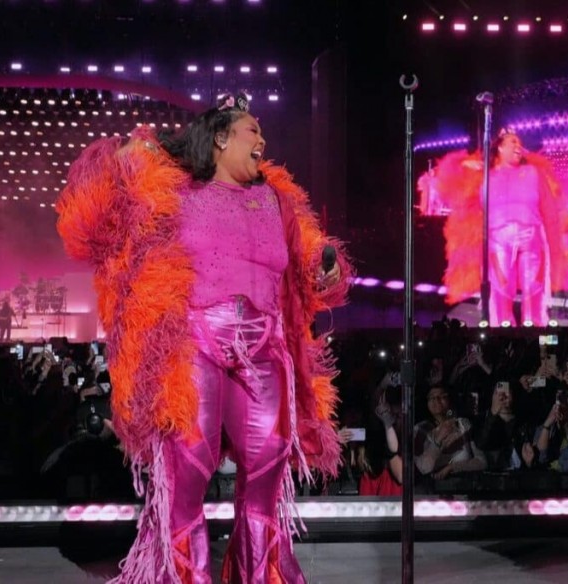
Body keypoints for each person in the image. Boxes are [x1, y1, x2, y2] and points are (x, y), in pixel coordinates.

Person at [56, 93, 351, 583]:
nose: (263, 140)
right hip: (194, 346)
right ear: (220, 138)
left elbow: (311, 262)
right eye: (253, 130)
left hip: (265, 346)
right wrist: (130, 157)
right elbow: (96, 225)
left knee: (267, 467)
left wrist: (326, 270)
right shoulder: (175, 189)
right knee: (188, 468)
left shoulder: (277, 198)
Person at [419, 130, 568, 326]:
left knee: (533, 297)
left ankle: (534, 338)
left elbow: (551, 210)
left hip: (532, 239)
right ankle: (502, 338)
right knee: (501, 298)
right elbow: (446, 182)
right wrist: (464, 164)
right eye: (512, 142)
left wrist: (556, 248)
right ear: (500, 147)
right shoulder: (484, 175)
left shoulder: (533, 173)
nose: (518, 146)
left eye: (519, 143)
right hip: (498, 243)